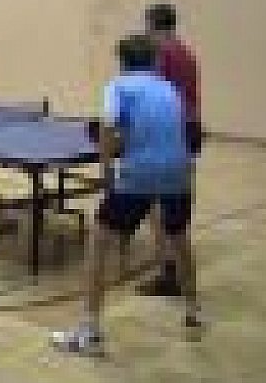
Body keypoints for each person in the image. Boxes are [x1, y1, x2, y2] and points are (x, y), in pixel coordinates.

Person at [52, 35, 201, 355]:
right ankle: (193, 315)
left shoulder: (117, 86)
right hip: (179, 172)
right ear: (155, 61)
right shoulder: (169, 88)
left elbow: (108, 128)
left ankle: (90, 333)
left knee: (98, 243)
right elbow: (170, 130)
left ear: (122, 62)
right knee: (179, 239)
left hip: (140, 173)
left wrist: (107, 171)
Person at [140, 2, 202, 297]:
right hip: (189, 131)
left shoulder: (161, 55)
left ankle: (169, 273)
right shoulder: (187, 54)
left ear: (153, 25)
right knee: (175, 205)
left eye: (146, 25)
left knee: (158, 207)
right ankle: (176, 272)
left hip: (167, 134)